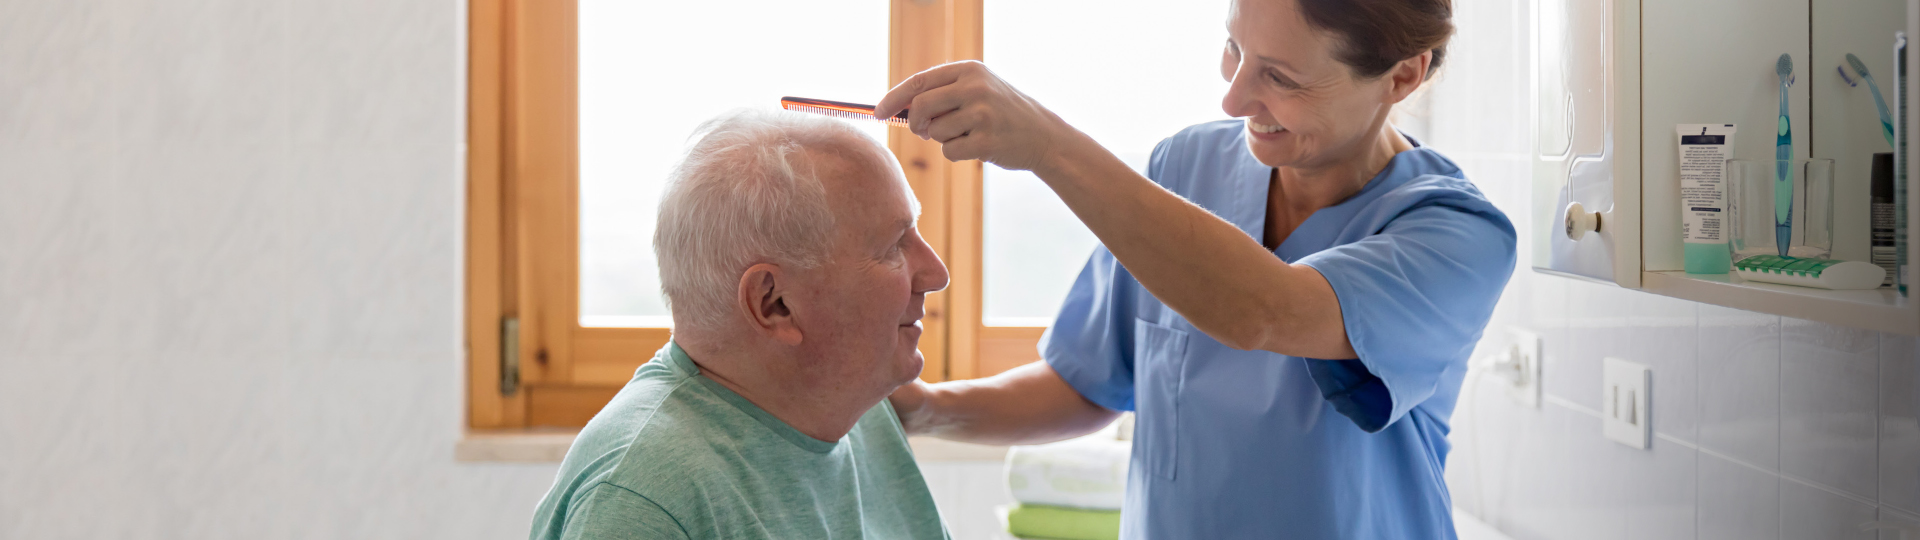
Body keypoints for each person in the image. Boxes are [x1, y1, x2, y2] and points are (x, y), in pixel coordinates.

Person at [874, 0, 1515, 537]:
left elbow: (1265, 311)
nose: (1234, 99)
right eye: (1233, 50)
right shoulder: (1185, 170)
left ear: (1402, 77)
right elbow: (1086, 383)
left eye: (1281, 78)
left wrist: (1045, 143)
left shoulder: (1455, 237)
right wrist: (921, 410)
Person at [527, 109, 952, 540]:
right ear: (774, 304)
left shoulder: (852, 405)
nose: (937, 273)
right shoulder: (641, 503)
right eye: (894, 247)